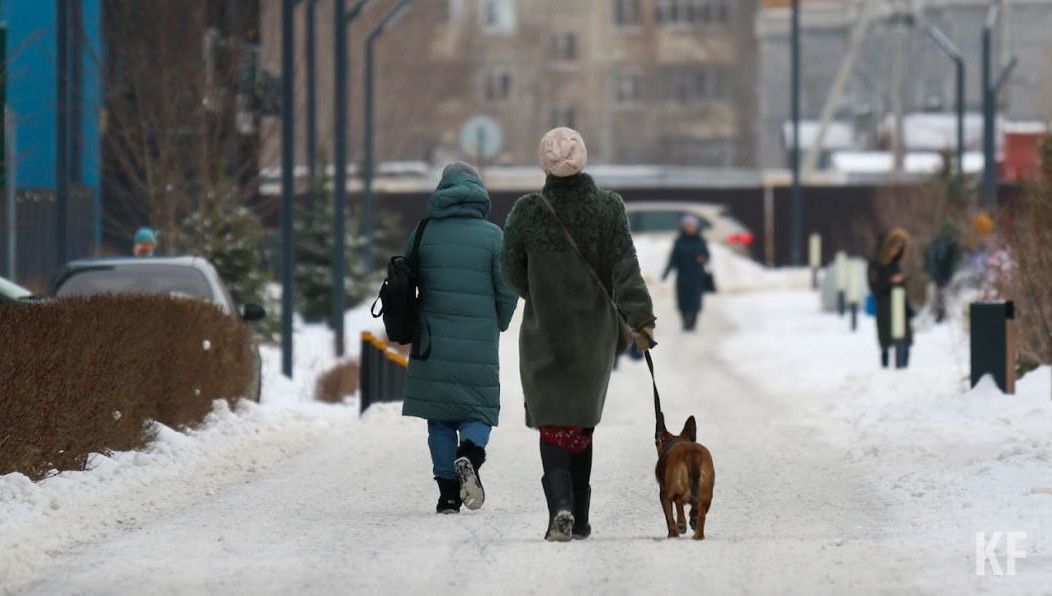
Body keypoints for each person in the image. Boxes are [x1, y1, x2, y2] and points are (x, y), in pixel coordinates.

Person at [502, 127, 656, 542]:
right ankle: (581, 517)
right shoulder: (608, 208)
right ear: (582, 158)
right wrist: (641, 319)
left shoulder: (527, 211)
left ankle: (561, 510)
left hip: (543, 333)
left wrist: (537, 293)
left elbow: (509, 269)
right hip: (593, 335)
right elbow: (625, 269)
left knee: (552, 421)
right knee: (581, 423)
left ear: (544, 163)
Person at [401, 161, 518, 515]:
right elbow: (508, 287)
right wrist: (498, 320)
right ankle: (469, 453)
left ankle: (448, 495)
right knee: (477, 409)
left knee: (438, 418)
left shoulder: (424, 232)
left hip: (431, 339)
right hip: (479, 339)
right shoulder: (494, 236)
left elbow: (404, 279)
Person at [868, 228, 913, 368]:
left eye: (900, 248)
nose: (897, 251)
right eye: (895, 247)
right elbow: (874, 287)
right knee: (886, 341)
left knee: (905, 339)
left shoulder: (897, 264)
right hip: (885, 306)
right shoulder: (875, 264)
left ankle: (903, 368)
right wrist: (890, 281)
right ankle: (886, 368)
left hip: (900, 306)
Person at [663, 215, 711, 331]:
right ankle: (685, 322)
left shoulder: (700, 240)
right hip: (682, 275)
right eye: (687, 226)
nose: (690, 228)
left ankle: (693, 322)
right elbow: (673, 258)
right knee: (683, 299)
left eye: (692, 226)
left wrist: (703, 258)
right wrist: (666, 272)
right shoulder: (679, 241)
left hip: (696, 275)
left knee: (695, 299)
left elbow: (707, 256)